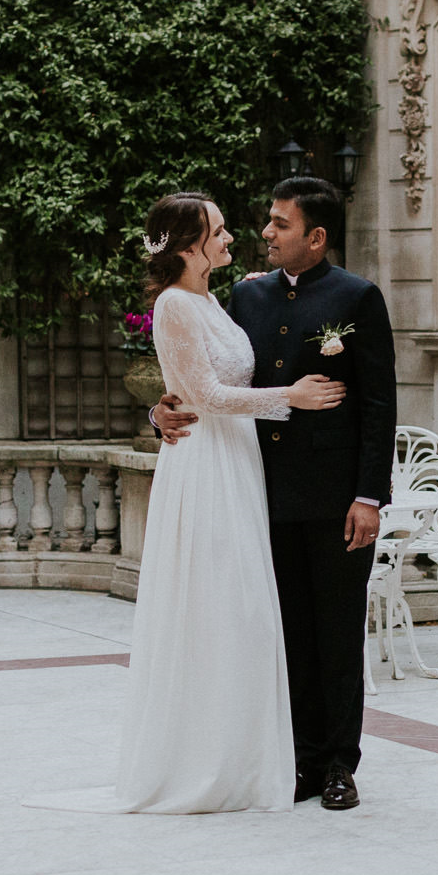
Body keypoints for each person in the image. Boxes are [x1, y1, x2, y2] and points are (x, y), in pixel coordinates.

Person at [27, 191, 344, 814]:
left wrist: (258, 288)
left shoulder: (213, 300)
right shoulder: (174, 304)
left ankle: (244, 757)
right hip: (205, 465)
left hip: (237, 462)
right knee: (216, 604)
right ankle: (204, 764)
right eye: (218, 232)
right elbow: (205, 394)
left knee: (244, 609)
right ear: (184, 245)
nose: (232, 238)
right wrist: (292, 397)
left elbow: (215, 367)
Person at [154, 177, 397, 811]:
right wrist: (161, 413)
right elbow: (209, 377)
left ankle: (341, 765)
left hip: (337, 499)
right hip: (257, 494)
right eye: (266, 220)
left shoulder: (359, 298)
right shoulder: (243, 295)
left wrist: (369, 496)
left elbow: (379, 406)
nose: (265, 232)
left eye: (280, 224)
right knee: (282, 634)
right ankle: (300, 761)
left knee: (338, 635)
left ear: (315, 237)